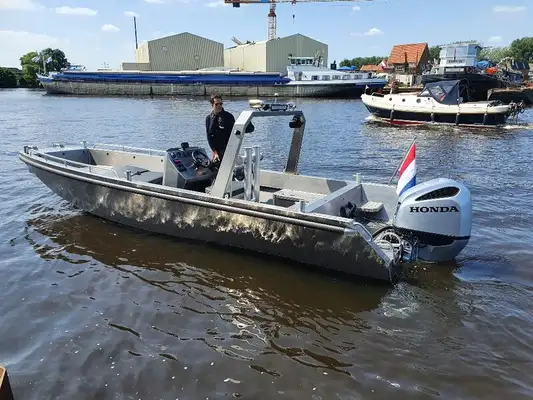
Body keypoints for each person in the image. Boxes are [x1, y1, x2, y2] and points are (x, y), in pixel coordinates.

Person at [205, 94, 235, 163]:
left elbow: (234, 134)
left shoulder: (228, 117)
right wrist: (214, 152)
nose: (219, 106)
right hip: (216, 151)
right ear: (212, 105)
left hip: (228, 149)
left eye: (221, 104)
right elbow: (209, 136)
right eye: (216, 104)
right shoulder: (209, 118)